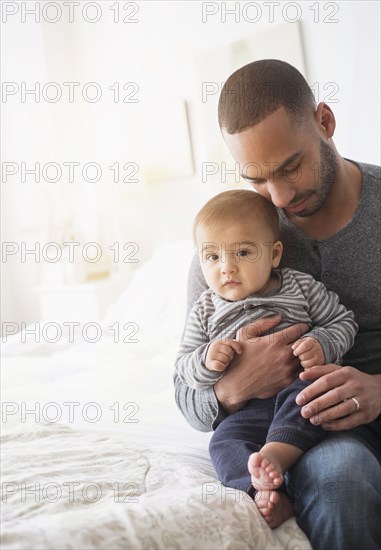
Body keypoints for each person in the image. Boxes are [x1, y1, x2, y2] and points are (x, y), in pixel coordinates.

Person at [174, 59, 381, 549]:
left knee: (339, 477)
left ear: (325, 122)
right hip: (297, 426)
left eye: (291, 166)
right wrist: (231, 389)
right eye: (258, 179)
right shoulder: (231, 244)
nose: (280, 196)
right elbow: (185, 395)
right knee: (337, 478)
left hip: (353, 412)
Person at [175, 189, 358, 528]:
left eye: (242, 252)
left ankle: (276, 453)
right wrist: (206, 360)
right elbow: (183, 367)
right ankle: (260, 492)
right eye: (212, 257)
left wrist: (321, 342)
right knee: (223, 443)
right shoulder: (205, 308)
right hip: (247, 411)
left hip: (297, 389)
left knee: (310, 397)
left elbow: (343, 321)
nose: (226, 267)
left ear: (274, 255)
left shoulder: (300, 287)